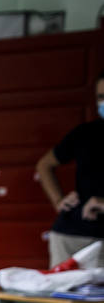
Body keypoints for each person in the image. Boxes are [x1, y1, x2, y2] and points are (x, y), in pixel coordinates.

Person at [36, 71, 104, 267]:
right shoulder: (85, 133)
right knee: (60, 294)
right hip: (70, 235)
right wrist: (58, 200)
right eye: (100, 97)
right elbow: (44, 165)